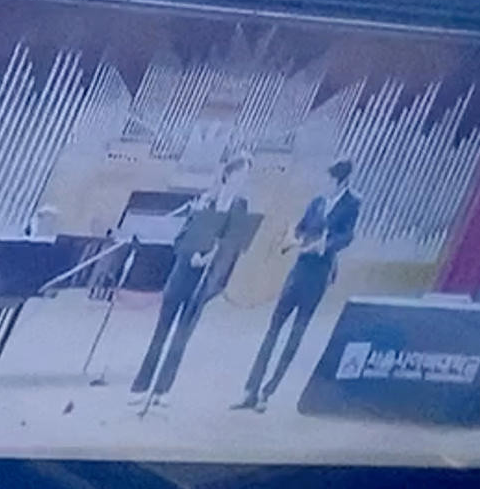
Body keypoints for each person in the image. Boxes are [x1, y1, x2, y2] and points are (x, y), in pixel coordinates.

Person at [131, 158, 258, 406]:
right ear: (228, 175)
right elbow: (181, 239)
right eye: (240, 174)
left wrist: (215, 259)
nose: (242, 180)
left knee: (182, 337)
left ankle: (162, 391)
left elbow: (234, 246)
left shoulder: (240, 207)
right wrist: (193, 256)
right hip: (183, 272)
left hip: (206, 279)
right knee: (161, 332)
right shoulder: (205, 201)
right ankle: (141, 387)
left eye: (246, 176)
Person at [236, 158, 360, 411]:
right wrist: (294, 238)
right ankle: (251, 390)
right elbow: (302, 227)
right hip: (300, 269)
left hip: (319, 273)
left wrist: (326, 246)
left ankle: (267, 392)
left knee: (296, 333)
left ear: (341, 182)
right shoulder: (317, 202)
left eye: (329, 181)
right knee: (273, 329)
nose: (325, 184)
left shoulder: (352, 203)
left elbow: (347, 235)